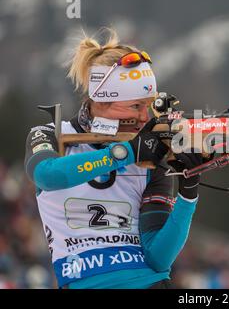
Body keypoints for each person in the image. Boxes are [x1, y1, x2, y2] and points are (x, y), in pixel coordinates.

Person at [23, 29, 204, 289]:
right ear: (102, 100)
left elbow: (158, 258)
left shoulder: (150, 157)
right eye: (135, 106)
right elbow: (48, 175)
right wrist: (126, 153)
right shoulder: (52, 134)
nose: (145, 117)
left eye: (149, 105)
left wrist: (188, 192)